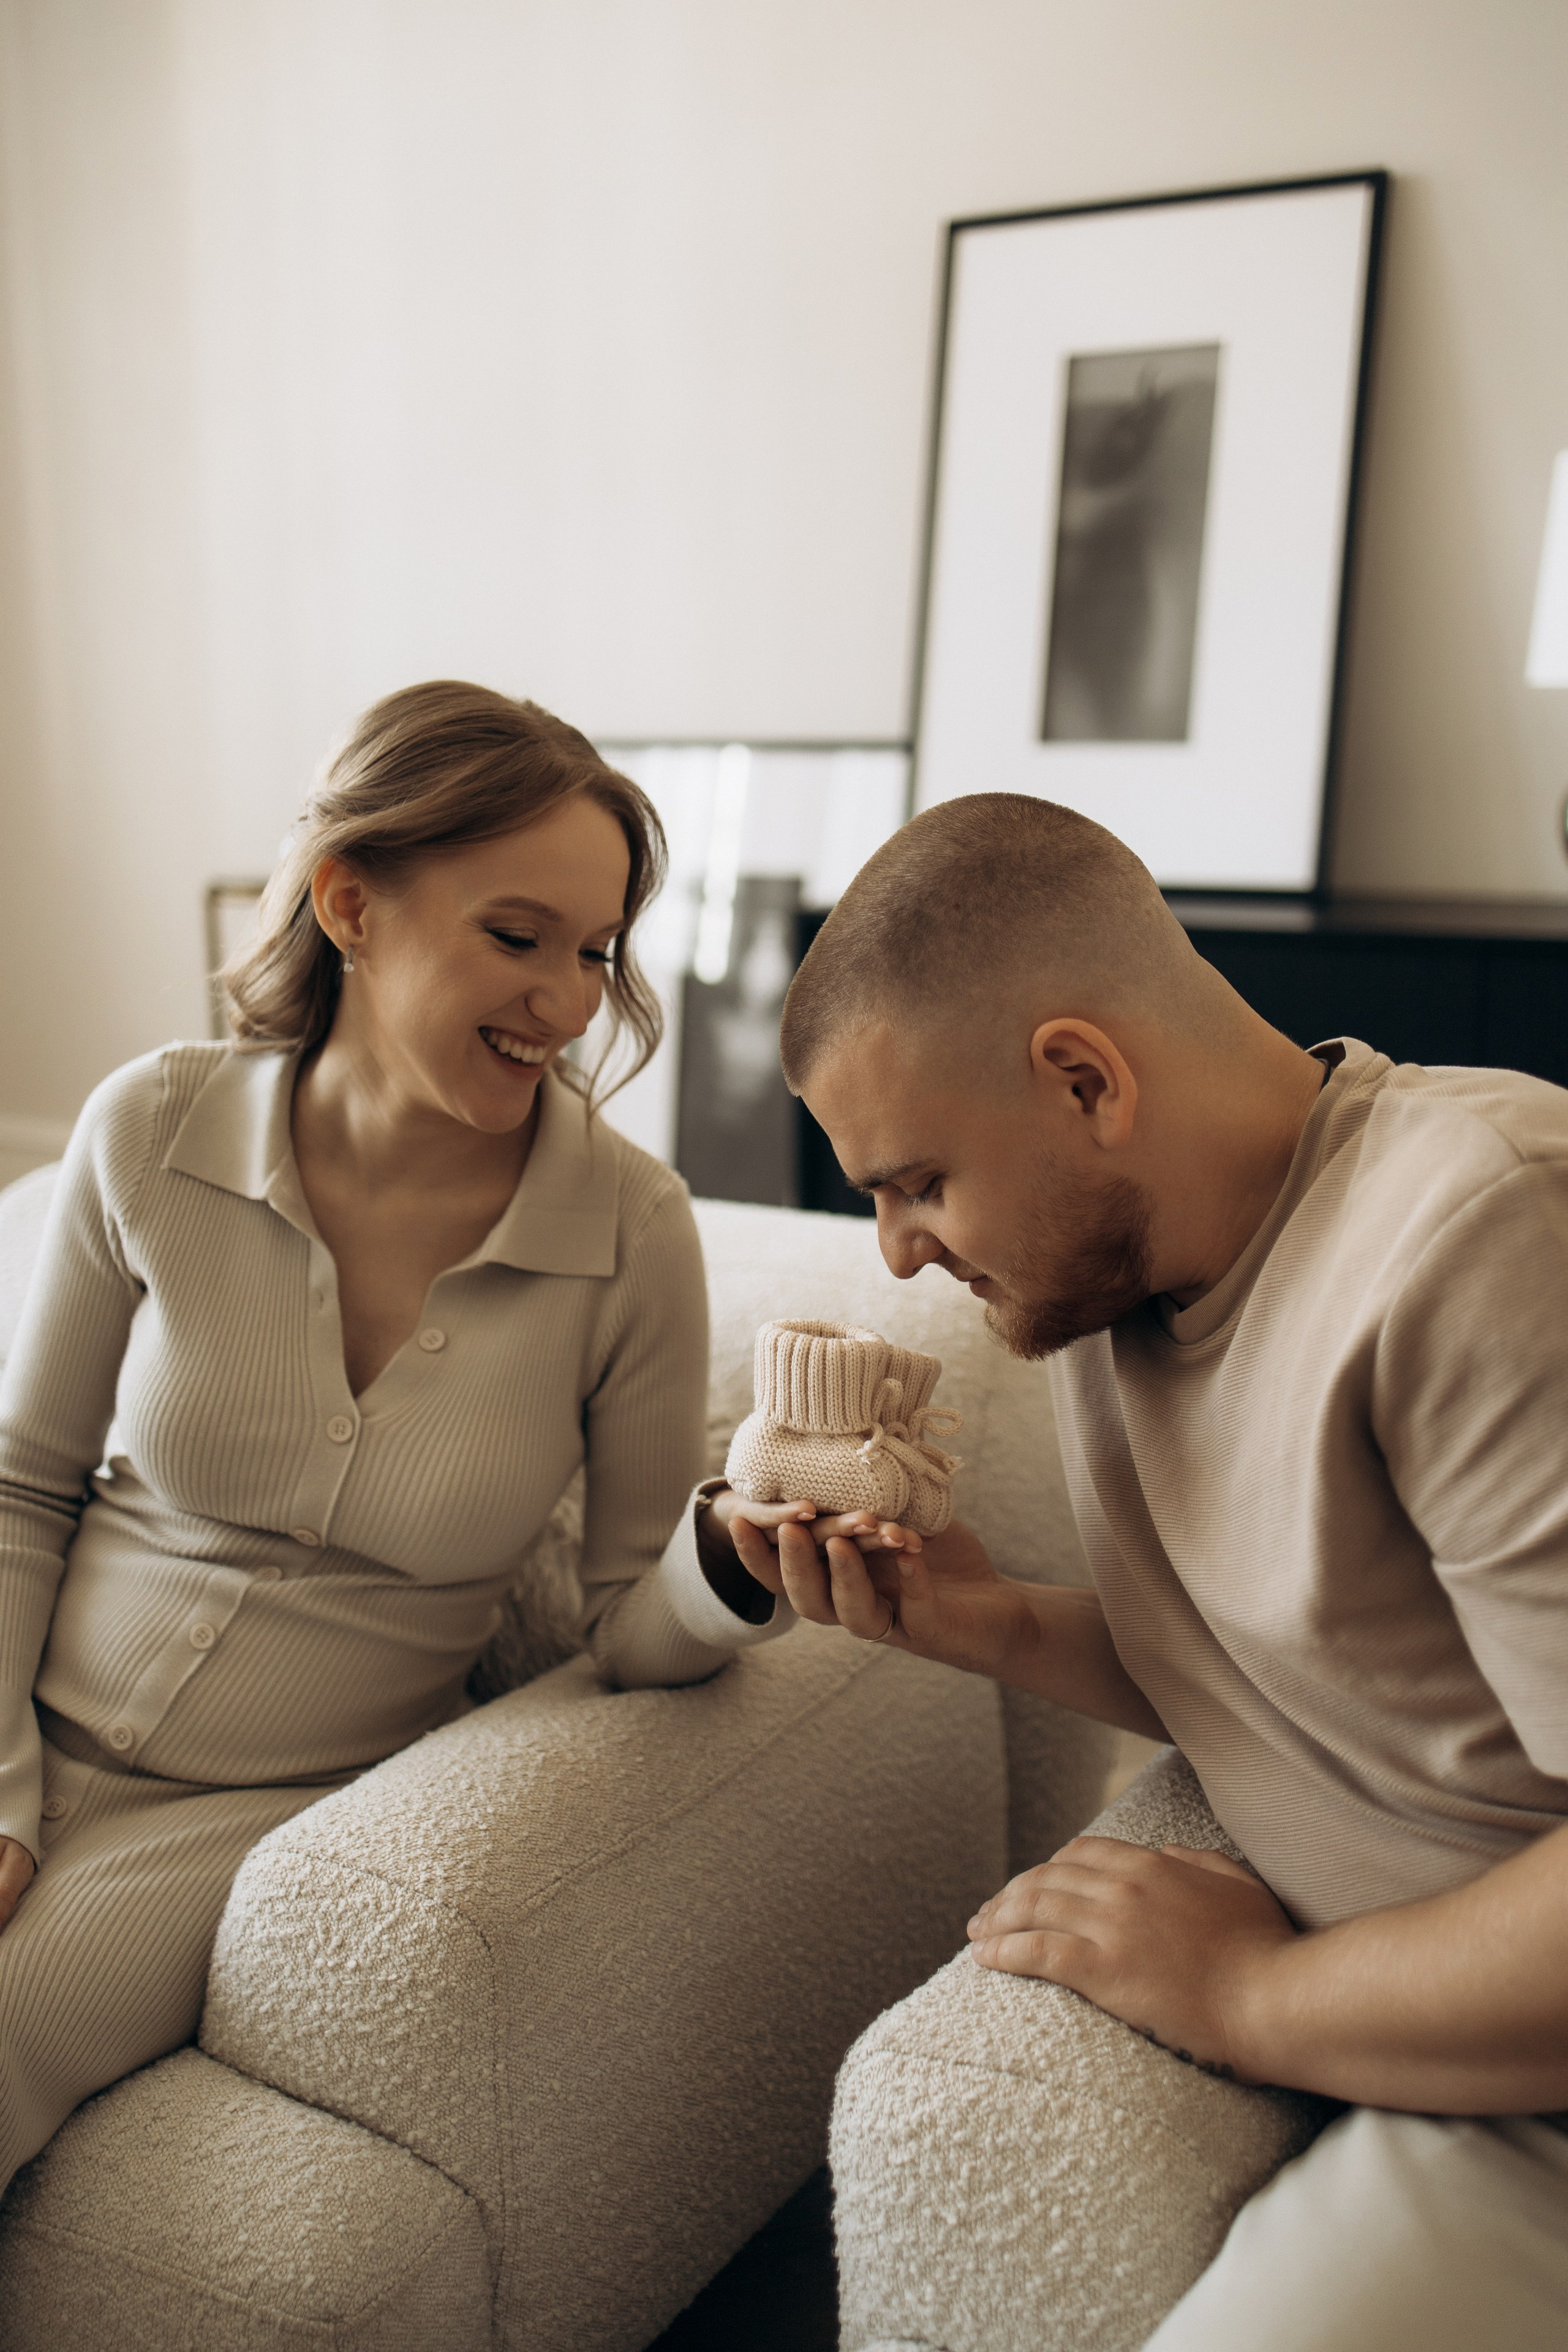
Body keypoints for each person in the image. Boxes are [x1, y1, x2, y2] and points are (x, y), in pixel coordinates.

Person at [0, 679, 870, 2203]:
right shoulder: (148, 1129)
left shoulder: (630, 1234)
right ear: (352, 903)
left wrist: (729, 1558)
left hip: (238, 1821)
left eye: (594, 953)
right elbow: (17, 1487)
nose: (571, 999)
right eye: (517, 937)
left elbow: (622, 1627)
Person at [723, 791, 1568, 2348]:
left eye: (914, 1182)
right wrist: (979, 1621)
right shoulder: (1111, 1287)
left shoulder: (1474, 1232)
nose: (898, 1251)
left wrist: (1251, 2001)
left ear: (1081, 1080)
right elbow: (1321, 1656)